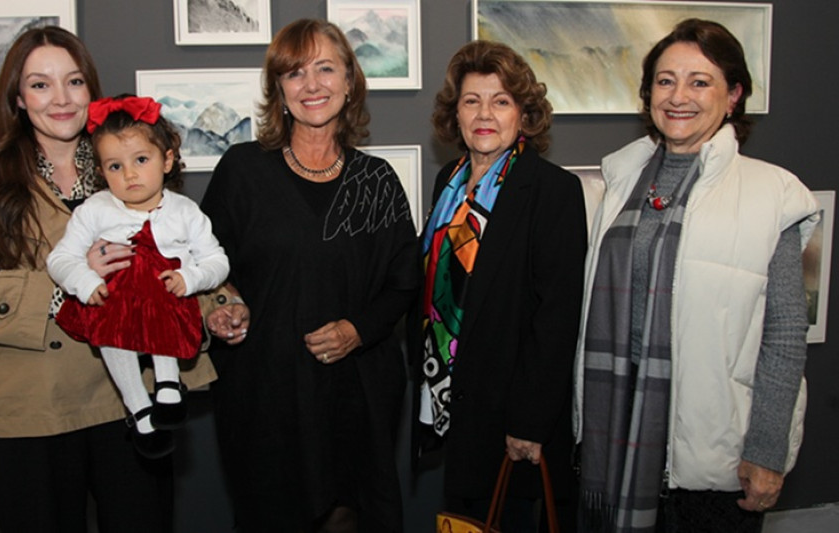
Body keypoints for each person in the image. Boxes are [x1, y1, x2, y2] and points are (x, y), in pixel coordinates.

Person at [0, 27, 216, 532]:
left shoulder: (126, 158)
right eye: (40, 85)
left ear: (91, 90)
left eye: (74, 81)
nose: (60, 98)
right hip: (34, 409)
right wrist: (63, 290)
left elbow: (176, 253)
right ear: (17, 97)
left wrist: (219, 307)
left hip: (131, 403)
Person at [574, 19, 819, 533]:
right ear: (648, 94)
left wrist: (768, 451)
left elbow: (783, 335)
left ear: (733, 96)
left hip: (711, 455)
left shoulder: (771, 193)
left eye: (699, 81)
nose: (678, 96)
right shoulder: (618, 182)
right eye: (665, 81)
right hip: (613, 434)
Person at [199, 18, 419, 533]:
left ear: (349, 82)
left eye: (326, 68)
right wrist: (222, 307)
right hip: (264, 392)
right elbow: (206, 264)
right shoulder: (243, 170)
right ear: (278, 89)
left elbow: (405, 282)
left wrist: (356, 331)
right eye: (295, 73)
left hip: (355, 392)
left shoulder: (377, 180)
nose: (312, 85)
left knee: (348, 513)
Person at [416, 40, 587, 532]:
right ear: (456, 114)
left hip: (511, 414)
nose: (484, 113)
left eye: (501, 101)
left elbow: (556, 315)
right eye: (472, 100)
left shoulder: (553, 191)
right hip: (454, 396)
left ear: (524, 114)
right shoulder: (449, 182)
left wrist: (529, 424)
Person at [47, 95, 229, 459]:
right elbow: (60, 258)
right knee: (111, 333)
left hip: (162, 303)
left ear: (167, 160)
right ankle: (138, 407)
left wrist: (190, 277)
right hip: (113, 305)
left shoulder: (184, 212)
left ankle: (166, 383)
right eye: (115, 166)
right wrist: (84, 282)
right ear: (100, 171)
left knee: (159, 289)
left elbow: (217, 261)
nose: (129, 174)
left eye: (141, 160)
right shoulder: (94, 210)